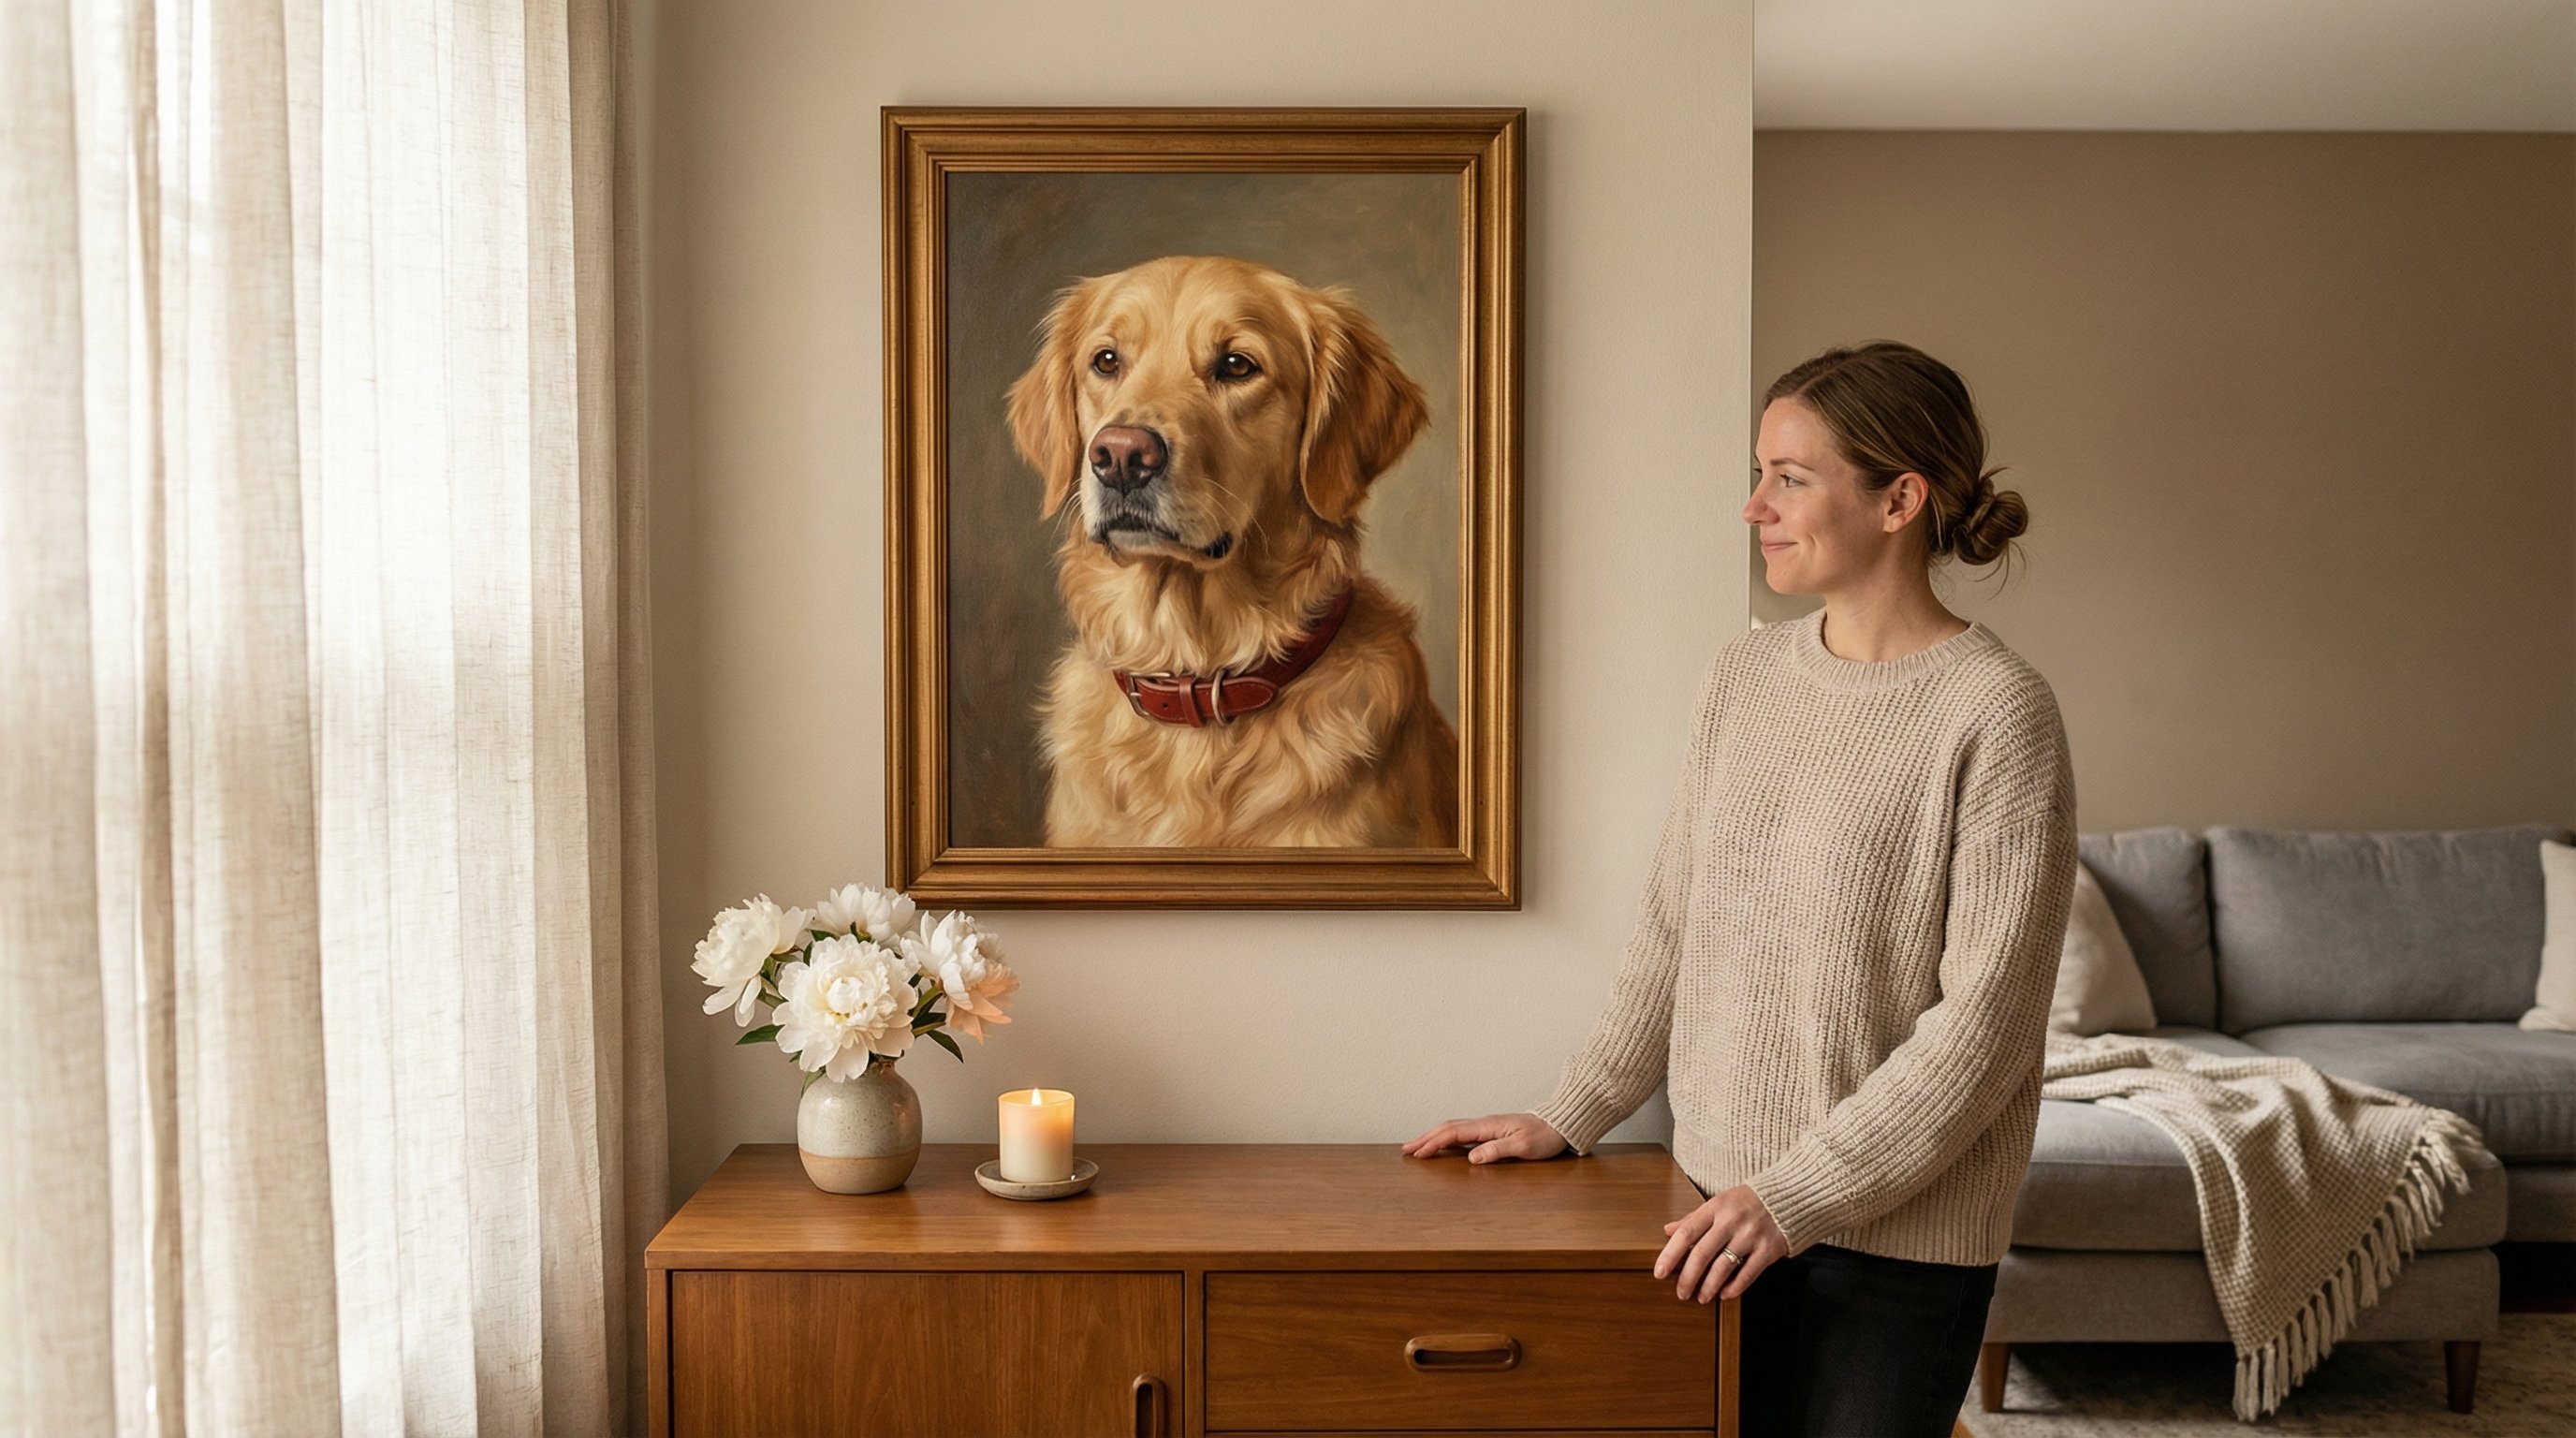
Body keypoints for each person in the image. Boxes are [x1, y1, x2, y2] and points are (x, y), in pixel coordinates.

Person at [1403, 342, 2078, 1437]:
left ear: (1899, 498)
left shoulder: (1996, 713)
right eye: (1757, 473)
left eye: (1790, 478)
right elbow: (1676, 926)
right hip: (1714, 1205)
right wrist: (1574, 1112)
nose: (1754, 506)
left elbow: (1987, 1029)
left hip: (1894, 1246)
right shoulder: (1744, 675)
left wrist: (1796, 1196)